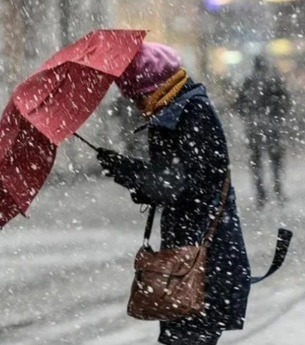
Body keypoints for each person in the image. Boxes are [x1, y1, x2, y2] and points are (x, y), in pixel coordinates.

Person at [95, 43, 251, 345]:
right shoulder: (175, 111)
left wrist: (128, 172)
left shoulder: (192, 113)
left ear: (153, 86)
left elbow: (176, 185)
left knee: (188, 339)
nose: (137, 105)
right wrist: (124, 167)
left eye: (138, 96)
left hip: (202, 260)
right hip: (189, 259)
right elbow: (172, 181)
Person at [236, 56, 292, 208]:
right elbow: (286, 101)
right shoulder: (274, 81)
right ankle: (278, 190)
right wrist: (278, 116)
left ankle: (260, 194)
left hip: (254, 127)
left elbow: (239, 104)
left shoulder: (249, 81)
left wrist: (248, 116)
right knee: (275, 161)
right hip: (272, 126)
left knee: (256, 161)